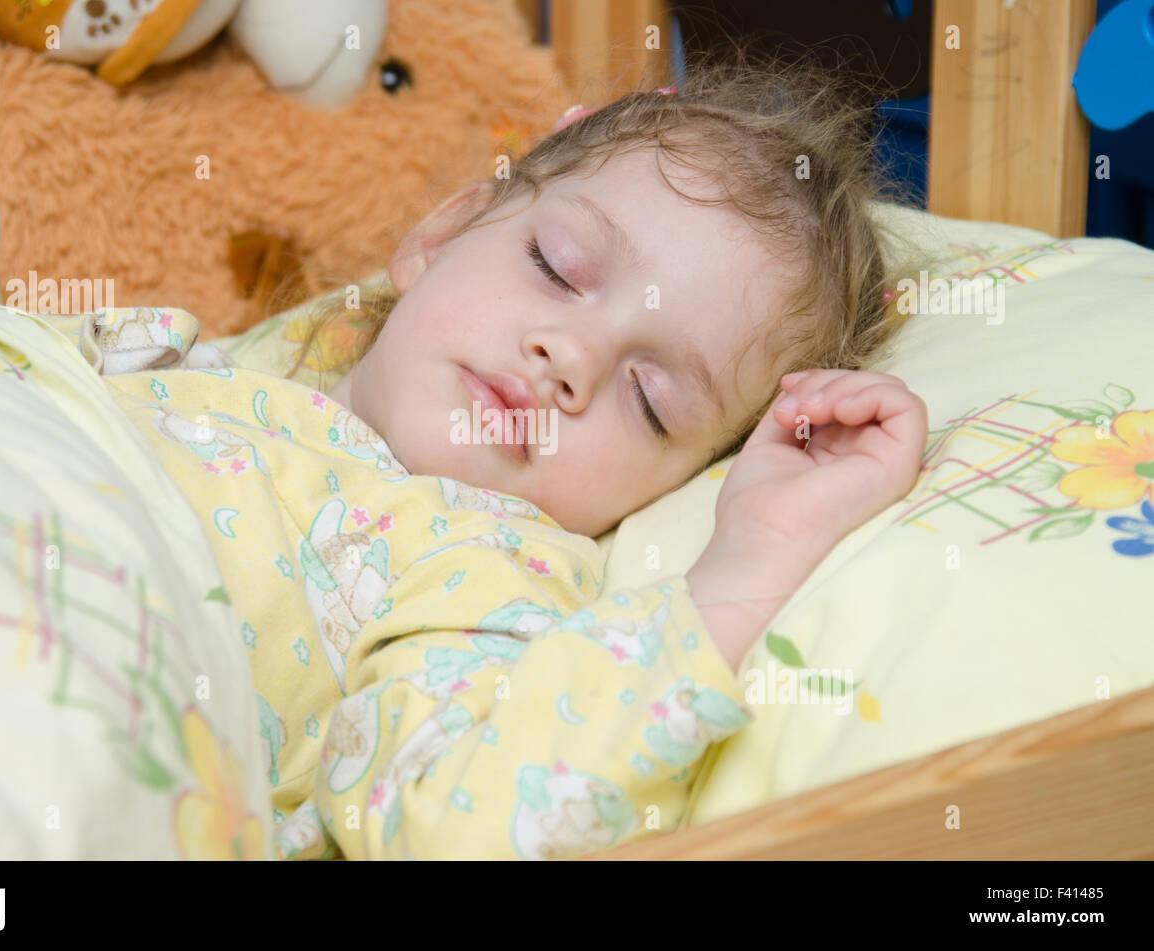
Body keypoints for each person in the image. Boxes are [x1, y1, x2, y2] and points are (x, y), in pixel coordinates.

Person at [102, 54, 928, 860]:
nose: (570, 357)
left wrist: (756, 552)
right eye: (557, 270)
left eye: (649, 400)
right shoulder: (230, 367)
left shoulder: (476, 565)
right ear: (443, 232)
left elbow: (468, 824)